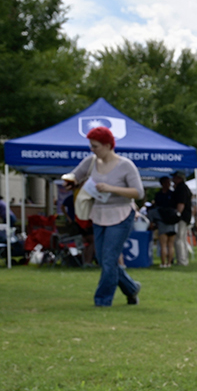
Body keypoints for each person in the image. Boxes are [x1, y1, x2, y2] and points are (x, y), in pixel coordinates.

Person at [63, 126, 145, 306]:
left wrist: (111, 189)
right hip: (99, 214)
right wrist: (71, 182)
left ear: (108, 145)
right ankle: (131, 288)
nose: (92, 149)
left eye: (95, 146)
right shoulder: (91, 162)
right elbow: (75, 176)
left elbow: (138, 192)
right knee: (103, 259)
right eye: (91, 146)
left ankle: (102, 300)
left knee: (109, 258)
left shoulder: (126, 165)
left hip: (121, 214)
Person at [154, 176, 178, 268]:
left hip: (163, 221)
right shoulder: (173, 194)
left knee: (164, 244)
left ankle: (164, 263)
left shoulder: (159, 195)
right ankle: (168, 263)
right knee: (170, 244)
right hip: (171, 220)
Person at [171, 171, 193, 265]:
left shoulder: (181, 189)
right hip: (186, 216)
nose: (172, 179)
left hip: (182, 217)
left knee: (179, 239)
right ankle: (184, 259)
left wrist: (177, 214)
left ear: (179, 178)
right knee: (183, 238)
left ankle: (181, 260)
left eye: (174, 177)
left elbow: (181, 203)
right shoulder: (185, 188)